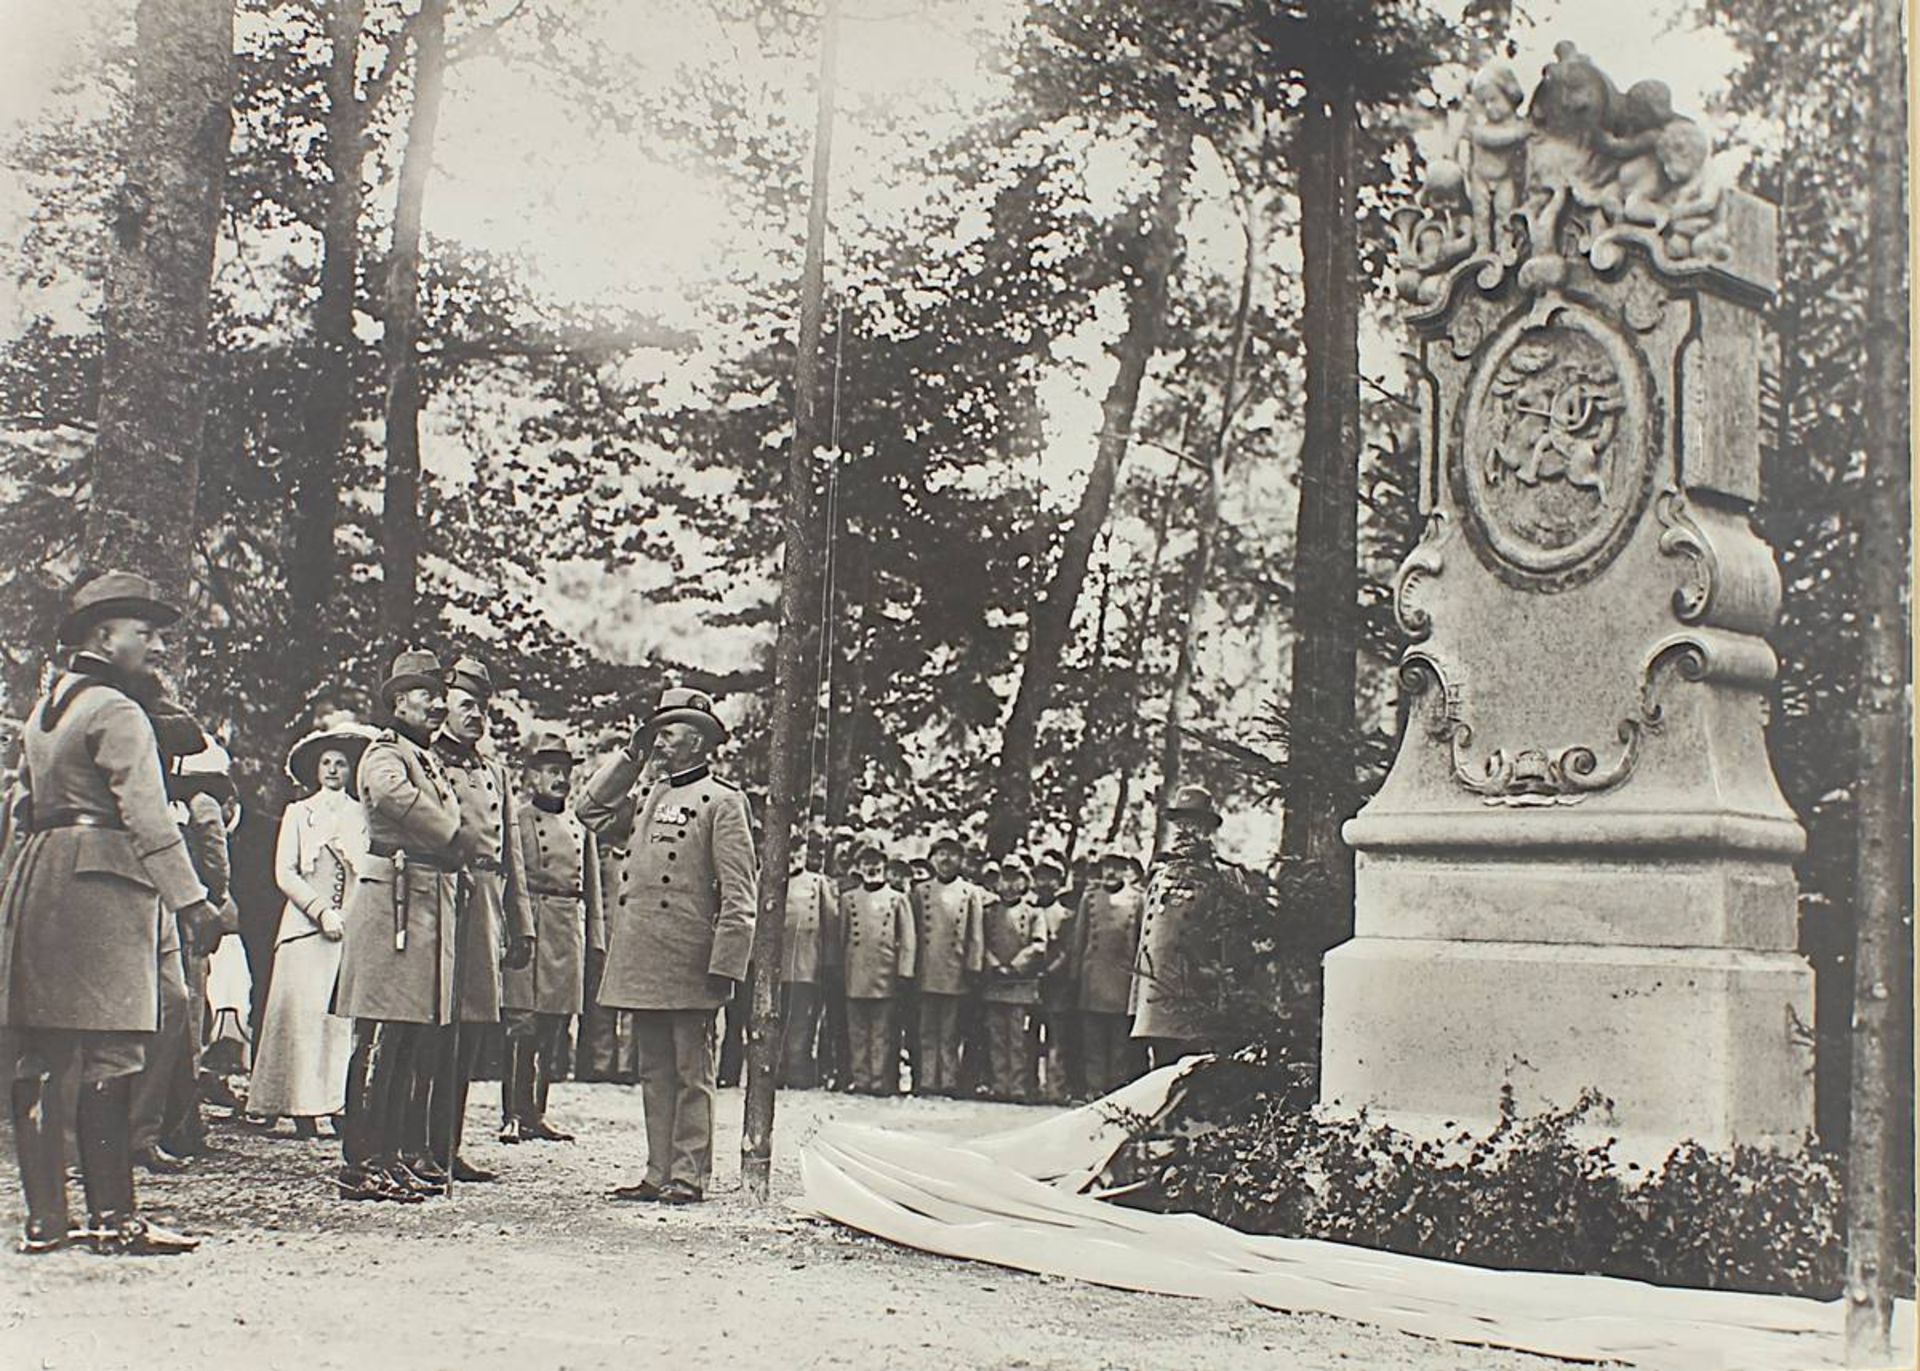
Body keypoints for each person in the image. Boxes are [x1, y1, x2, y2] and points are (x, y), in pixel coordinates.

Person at [0, 570, 221, 1253]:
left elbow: (18, 808)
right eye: (145, 633)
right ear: (105, 634)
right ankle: (114, 1217)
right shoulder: (118, 711)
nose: (156, 646)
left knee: (40, 1051)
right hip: (103, 883)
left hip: (40, 877)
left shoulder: (47, 710)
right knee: (114, 1050)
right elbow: (149, 815)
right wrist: (194, 900)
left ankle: (45, 1222)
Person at [581, 686, 756, 1205]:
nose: (663, 738)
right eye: (659, 728)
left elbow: (740, 892)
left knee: (691, 1071)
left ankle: (688, 1175)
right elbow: (587, 813)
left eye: (673, 728)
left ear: (701, 741)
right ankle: (657, 1171)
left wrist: (726, 963)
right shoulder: (649, 795)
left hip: (690, 957)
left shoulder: (724, 803)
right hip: (642, 954)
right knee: (653, 1069)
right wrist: (629, 758)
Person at [334, 650, 468, 1203]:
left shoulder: (424, 757)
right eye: (425, 693)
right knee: (382, 1035)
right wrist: (450, 834)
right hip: (394, 897)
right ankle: (360, 1164)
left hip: (423, 896)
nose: (438, 704)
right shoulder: (383, 753)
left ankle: (389, 1156)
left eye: (441, 695)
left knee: (408, 1037)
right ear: (397, 700)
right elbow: (391, 795)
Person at [425, 658, 534, 1183]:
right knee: (429, 1027)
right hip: (441, 894)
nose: (478, 716)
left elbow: (511, 852)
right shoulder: (424, 760)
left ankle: (448, 1144)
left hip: (485, 901)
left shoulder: (493, 770)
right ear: (442, 703)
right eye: (468, 704)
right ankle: (414, 1144)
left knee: (468, 1030)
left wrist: (523, 923)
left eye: (483, 706)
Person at [249, 720, 372, 1136]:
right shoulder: (299, 813)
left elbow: (365, 872)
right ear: (315, 770)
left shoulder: (362, 815)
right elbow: (284, 872)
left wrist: (349, 917)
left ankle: (334, 1103)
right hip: (304, 928)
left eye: (341, 763)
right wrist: (320, 911)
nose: (334, 770)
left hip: (348, 930)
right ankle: (299, 1107)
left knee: (337, 1021)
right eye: (326, 763)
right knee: (300, 1016)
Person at [500, 729, 602, 1144]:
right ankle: (512, 1113)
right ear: (533, 777)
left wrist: (595, 937)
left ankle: (536, 1113)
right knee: (520, 1022)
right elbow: (510, 878)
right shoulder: (519, 820)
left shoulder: (581, 825)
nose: (559, 779)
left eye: (564, 772)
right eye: (550, 771)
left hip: (565, 927)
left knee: (553, 1026)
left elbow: (594, 887)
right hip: (531, 921)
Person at [1132, 785, 1228, 1067]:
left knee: (1187, 1068)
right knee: (1157, 1067)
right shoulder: (1161, 874)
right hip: (1153, 990)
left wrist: (1216, 984)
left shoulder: (1217, 877)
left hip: (1190, 990)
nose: (1184, 831)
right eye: (1180, 823)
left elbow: (1226, 940)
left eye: (1193, 823)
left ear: (1207, 831)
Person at [909, 835, 983, 1098]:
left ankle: (949, 1080)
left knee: (951, 1031)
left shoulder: (970, 892)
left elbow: (976, 934)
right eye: (941, 854)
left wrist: (973, 966)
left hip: (955, 969)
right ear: (933, 858)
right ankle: (928, 1080)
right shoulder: (920, 892)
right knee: (927, 1028)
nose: (946, 859)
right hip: (926, 968)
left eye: (952, 854)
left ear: (960, 860)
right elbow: (911, 933)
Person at [840, 846, 916, 1095]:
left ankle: (879, 1081)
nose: (871, 867)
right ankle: (861, 1080)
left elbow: (907, 939)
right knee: (857, 1032)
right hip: (856, 973)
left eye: (876, 863)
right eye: (866, 862)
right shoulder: (849, 899)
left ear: (884, 866)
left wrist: (905, 972)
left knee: (882, 1032)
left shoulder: (897, 898)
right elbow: (842, 939)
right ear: (859, 867)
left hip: (885, 974)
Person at [1076, 854, 1146, 1096]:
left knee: (1119, 1042)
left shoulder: (1137, 900)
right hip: (1093, 977)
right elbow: (1079, 940)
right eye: (1107, 867)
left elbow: (1140, 942)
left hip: (1123, 980)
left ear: (1126, 870)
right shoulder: (1090, 898)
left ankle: (1116, 1092)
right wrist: (1077, 975)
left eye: (1116, 868)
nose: (1111, 873)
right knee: (1093, 1039)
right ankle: (1094, 1089)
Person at [979, 858, 1045, 1103]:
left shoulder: (1033, 913)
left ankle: (1017, 1086)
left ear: (1024, 882)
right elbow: (980, 942)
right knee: (997, 1037)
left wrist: (1016, 965)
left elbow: (1039, 945)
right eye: (1004, 879)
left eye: (1015, 878)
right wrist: (995, 965)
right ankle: (1000, 1084)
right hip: (995, 983)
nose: (1009, 885)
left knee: (1017, 1039)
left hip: (1020, 984)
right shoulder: (989, 912)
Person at [777, 841, 838, 1089]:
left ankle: (798, 1071)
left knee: (802, 1021)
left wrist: (829, 962)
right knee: (775, 1020)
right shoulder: (766, 877)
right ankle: (777, 1071)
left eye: (798, 853)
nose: (793, 858)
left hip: (807, 963)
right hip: (775, 965)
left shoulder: (817, 883)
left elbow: (831, 923)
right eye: (789, 852)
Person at [1030, 858, 1079, 1104]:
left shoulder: (1066, 916)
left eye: (1050, 878)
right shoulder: (1028, 910)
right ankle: (1028, 1086)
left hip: (1055, 985)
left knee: (1056, 1038)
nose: (1044, 883)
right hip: (1027, 983)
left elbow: (1067, 952)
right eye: (1040, 877)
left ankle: (1055, 1089)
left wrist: (1049, 972)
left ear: (1059, 882)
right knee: (1028, 1036)